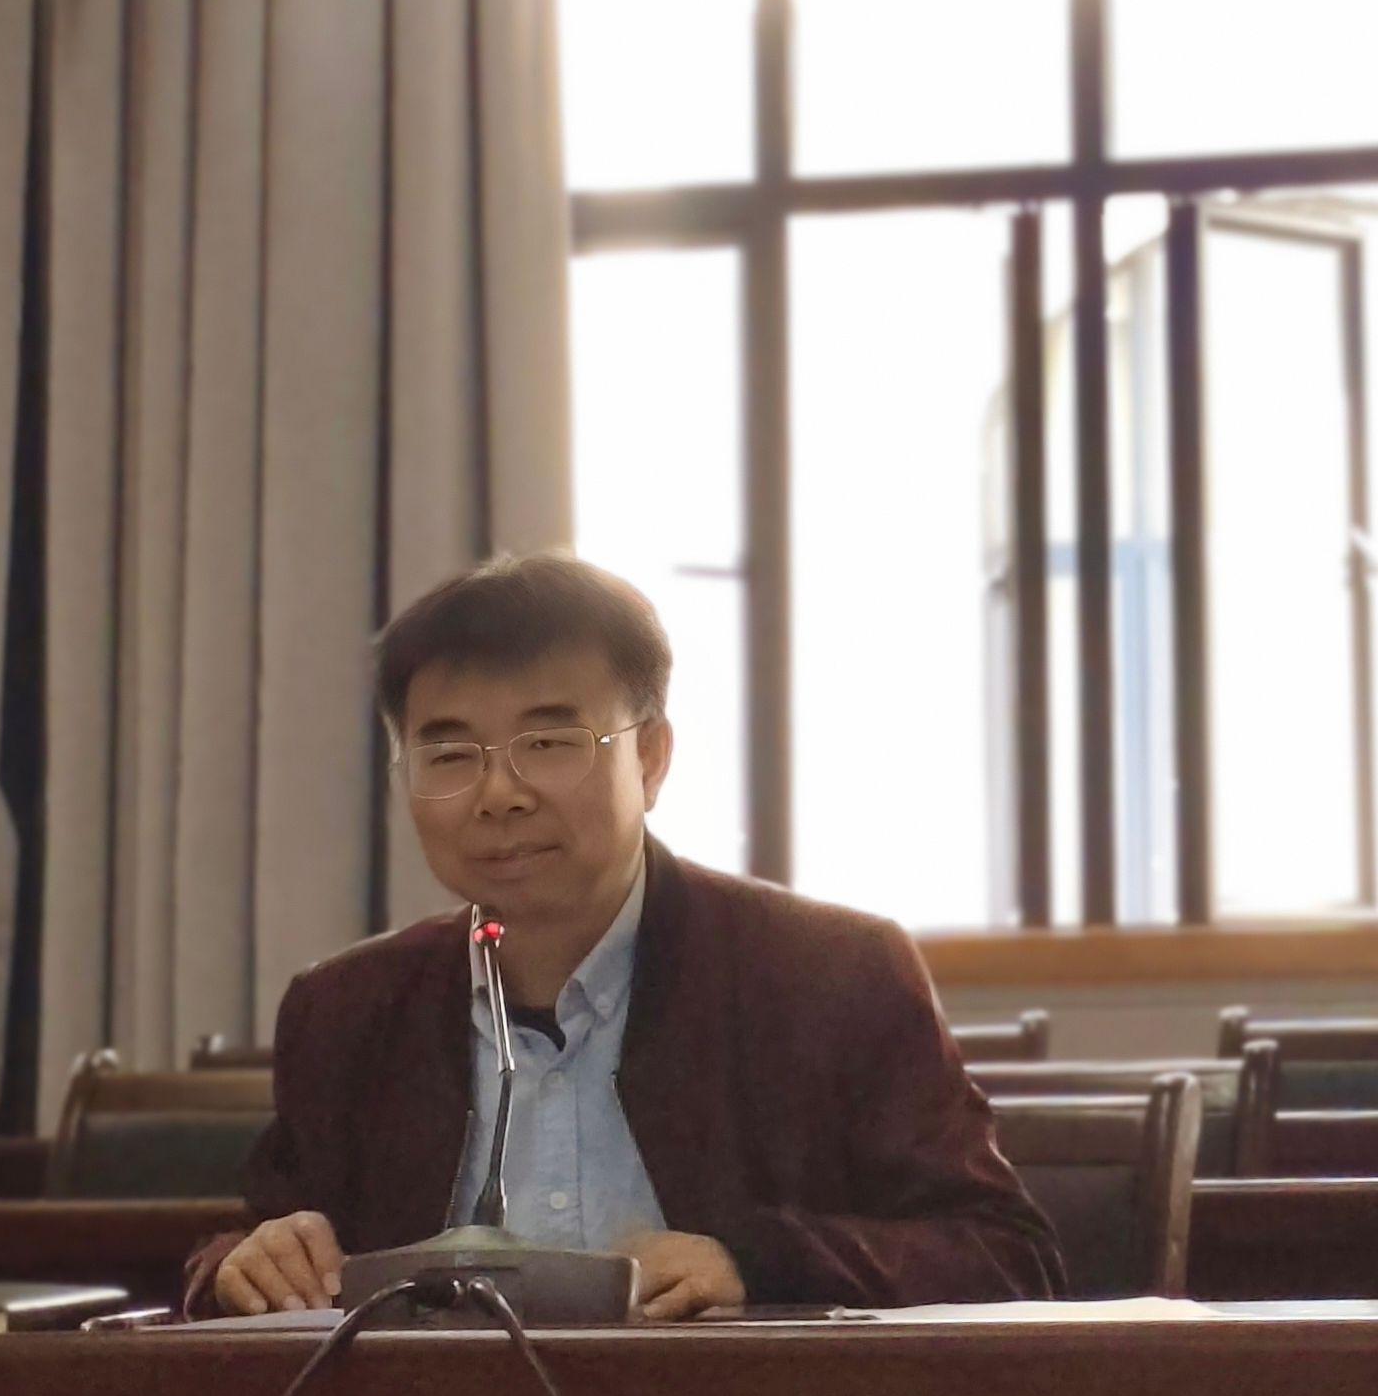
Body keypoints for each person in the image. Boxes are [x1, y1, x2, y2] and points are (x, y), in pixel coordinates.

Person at [186, 553, 1063, 1320]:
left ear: (650, 757)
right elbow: (253, 1248)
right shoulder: (346, 1012)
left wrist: (755, 1266)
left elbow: (1005, 1257)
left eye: (549, 743)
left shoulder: (832, 977)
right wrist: (241, 1268)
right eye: (450, 756)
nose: (500, 795)